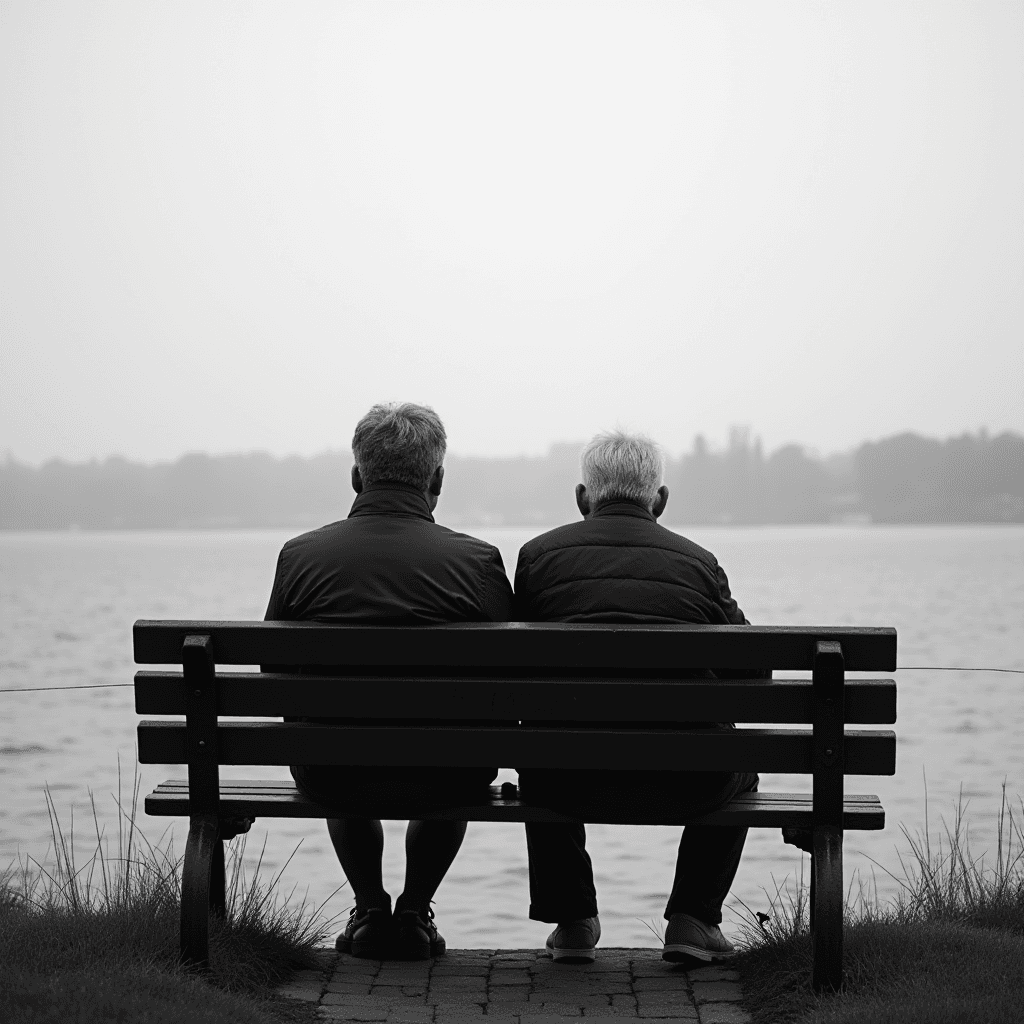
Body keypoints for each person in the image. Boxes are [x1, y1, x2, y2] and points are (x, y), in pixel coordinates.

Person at [264, 403, 513, 960]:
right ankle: (415, 910)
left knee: (329, 740)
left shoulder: (300, 556)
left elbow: (272, 674)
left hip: (330, 766)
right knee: (457, 756)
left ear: (357, 477)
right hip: (450, 772)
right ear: (438, 480)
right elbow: (508, 678)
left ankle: (371, 907)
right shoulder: (477, 560)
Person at [513, 430, 761, 964]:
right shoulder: (699, 563)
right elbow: (754, 669)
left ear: (583, 498)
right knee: (738, 759)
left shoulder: (538, 558)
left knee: (539, 747)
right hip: (687, 777)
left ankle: (574, 919)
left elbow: (513, 671)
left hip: (564, 777)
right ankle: (693, 918)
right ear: (660, 501)